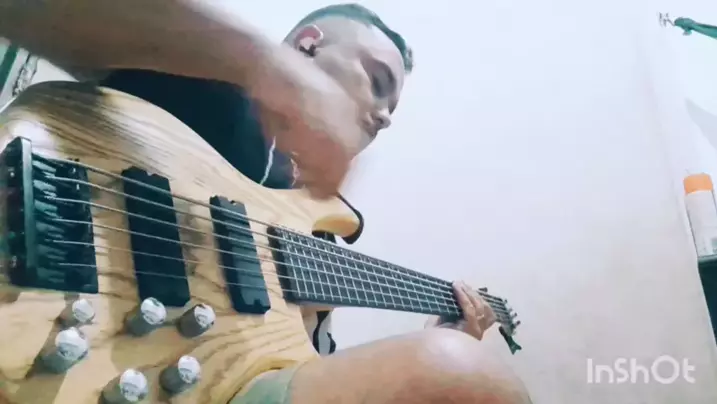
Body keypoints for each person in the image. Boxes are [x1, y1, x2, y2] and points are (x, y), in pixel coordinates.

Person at [0, 2, 531, 403]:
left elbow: (296, 372)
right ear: (308, 44)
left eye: (392, 108)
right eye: (377, 81)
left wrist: (443, 344)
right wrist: (264, 67)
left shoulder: (324, 225)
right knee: (460, 370)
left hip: (172, 377)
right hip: (45, 263)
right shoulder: (210, 80)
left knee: (450, 371)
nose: (385, 116)